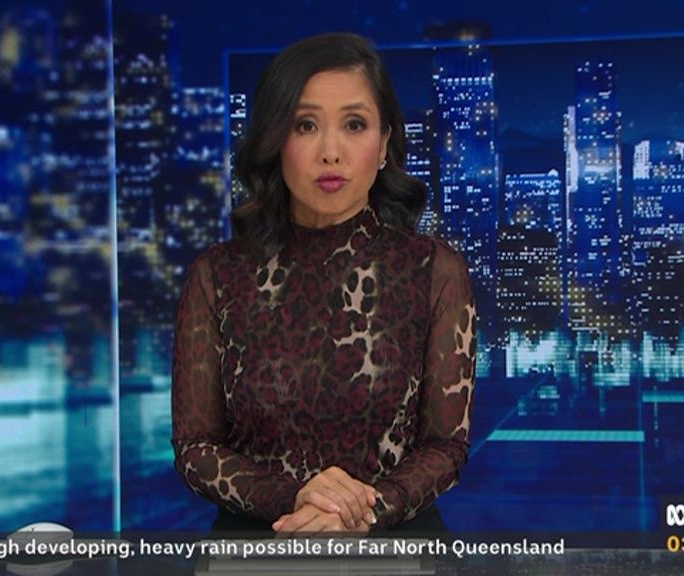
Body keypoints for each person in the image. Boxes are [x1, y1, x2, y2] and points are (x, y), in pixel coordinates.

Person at [171, 32, 477, 535]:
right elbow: (195, 448)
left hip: (394, 542)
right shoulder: (217, 275)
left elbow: (447, 447)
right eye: (305, 125)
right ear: (276, 141)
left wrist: (364, 511)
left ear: (384, 143)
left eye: (354, 125)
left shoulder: (435, 270)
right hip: (259, 544)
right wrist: (296, 498)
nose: (331, 152)